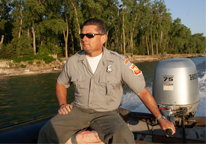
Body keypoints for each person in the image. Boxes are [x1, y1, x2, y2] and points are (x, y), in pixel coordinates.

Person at [38, 18, 175, 144]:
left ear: (103, 38)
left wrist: (161, 119)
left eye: (89, 35)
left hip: (107, 113)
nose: (84, 39)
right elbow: (61, 83)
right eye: (82, 35)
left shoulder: (119, 62)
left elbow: (142, 92)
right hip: (78, 110)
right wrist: (62, 104)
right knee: (47, 132)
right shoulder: (73, 61)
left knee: (122, 135)